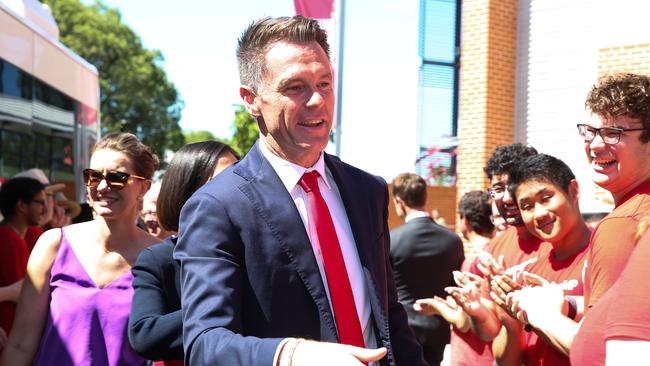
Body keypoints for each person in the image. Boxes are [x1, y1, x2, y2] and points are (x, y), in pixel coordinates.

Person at [174, 15, 425, 366]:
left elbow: (390, 314)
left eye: (325, 83)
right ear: (251, 99)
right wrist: (291, 354)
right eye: (295, 87)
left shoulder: (367, 191)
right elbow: (205, 344)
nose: (317, 101)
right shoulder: (217, 206)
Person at [1, 132, 160, 366]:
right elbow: (21, 344)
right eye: (93, 176)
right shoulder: (53, 245)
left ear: (143, 187)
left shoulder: (160, 257)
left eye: (117, 177)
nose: (103, 186)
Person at [128, 141, 239, 365]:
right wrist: (219, 307)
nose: (233, 191)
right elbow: (145, 335)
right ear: (184, 193)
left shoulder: (254, 253)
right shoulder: (159, 260)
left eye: (239, 180)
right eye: (219, 184)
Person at [566, 73, 650, 364]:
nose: (596, 145)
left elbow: (614, 344)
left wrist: (539, 313)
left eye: (614, 133)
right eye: (590, 131)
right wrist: (566, 305)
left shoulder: (625, 223)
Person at [489, 153, 592, 366]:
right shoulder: (530, 272)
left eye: (546, 199)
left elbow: (605, 350)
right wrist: (511, 321)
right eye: (527, 206)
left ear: (573, 191)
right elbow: (506, 361)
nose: (539, 214)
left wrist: (545, 315)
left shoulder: (604, 253)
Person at [389, 173, 464, 366]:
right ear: (426, 198)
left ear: (399, 201)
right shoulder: (452, 240)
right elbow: (455, 285)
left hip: (402, 328)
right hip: (437, 328)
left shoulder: (392, 240)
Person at [0, 177, 46, 336]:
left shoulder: (11, 237)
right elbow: (24, 296)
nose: (45, 209)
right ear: (21, 205)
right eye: (40, 202)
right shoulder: (11, 241)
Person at [13, 168, 67, 252]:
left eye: (49, 195)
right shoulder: (32, 233)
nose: (44, 204)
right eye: (38, 200)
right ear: (22, 205)